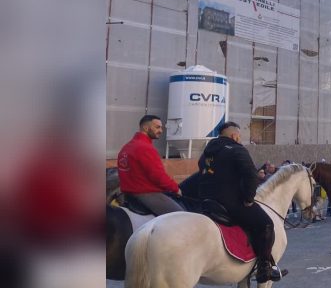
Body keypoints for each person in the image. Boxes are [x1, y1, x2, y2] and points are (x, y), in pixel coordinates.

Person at [197, 121, 282, 283]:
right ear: (234, 135)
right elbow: (251, 175)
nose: (240, 138)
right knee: (266, 224)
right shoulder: (237, 149)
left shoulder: (207, 153)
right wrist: (249, 199)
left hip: (207, 201)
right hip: (230, 202)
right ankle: (264, 267)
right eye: (240, 136)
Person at [117, 115, 183, 215]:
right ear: (146, 128)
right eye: (157, 127)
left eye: (161, 127)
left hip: (127, 195)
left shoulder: (126, 147)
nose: (161, 130)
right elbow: (158, 176)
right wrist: (176, 189)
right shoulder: (145, 148)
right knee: (182, 217)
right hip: (146, 195)